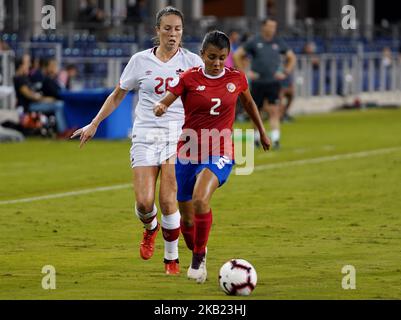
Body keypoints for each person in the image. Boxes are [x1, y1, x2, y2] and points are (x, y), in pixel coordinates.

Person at [71, 6, 204, 275]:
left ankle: (171, 260)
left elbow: (204, 96)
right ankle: (150, 228)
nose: (172, 34)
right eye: (167, 28)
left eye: (177, 29)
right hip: (144, 135)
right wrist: (94, 123)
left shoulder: (193, 63)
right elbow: (118, 94)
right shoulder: (140, 61)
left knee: (168, 201)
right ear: (157, 31)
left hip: (176, 136)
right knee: (145, 203)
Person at [153, 31, 271, 283]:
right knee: (186, 218)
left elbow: (249, 104)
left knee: (200, 199)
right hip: (188, 150)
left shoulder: (236, 78)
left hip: (220, 150)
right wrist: (161, 105)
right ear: (202, 55)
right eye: (212, 57)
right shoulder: (189, 78)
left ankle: (198, 259)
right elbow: (168, 98)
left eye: (221, 58)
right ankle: (198, 247)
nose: (217, 63)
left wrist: (261, 132)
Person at [234, 18, 296, 149]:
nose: (272, 29)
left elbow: (291, 57)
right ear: (263, 27)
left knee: (274, 110)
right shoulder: (255, 41)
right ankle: (256, 139)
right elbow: (238, 55)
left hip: (273, 82)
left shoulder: (278, 42)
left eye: (274, 26)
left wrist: (286, 72)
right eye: (270, 26)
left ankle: (276, 140)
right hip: (258, 82)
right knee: (256, 112)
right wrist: (244, 72)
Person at [13, 55, 71, 138]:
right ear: (20, 65)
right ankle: (62, 132)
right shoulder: (19, 78)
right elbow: (29, 95)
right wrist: (45, 99)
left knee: (58, 104)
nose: (29, 65)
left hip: (33, 104)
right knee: (58, 105)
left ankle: (63, 130)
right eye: (27, 63)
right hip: (28, 106)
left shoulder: (26, 77)